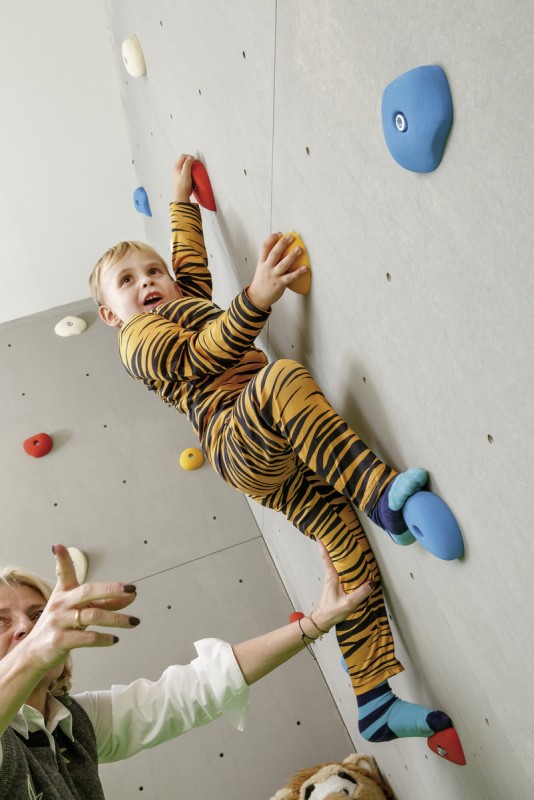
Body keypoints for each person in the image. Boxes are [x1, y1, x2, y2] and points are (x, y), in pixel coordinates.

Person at [89, 155, 456, 746]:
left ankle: (375, 702)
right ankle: (379, 493)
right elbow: (201, 355)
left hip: (279, 456)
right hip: (239, 442)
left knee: (344, 550)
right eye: (127, 282)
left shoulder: (183, 299)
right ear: (110, 314)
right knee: (280, 380)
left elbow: (188, 261)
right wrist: (257, 297)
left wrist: (180, 201)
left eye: (151, 271)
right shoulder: (138, 341)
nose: (147, 282)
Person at [0, 544, 374, 799]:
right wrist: (33, 652)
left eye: (37, 616)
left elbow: (196, 689)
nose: (26, 628)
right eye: (1, 622)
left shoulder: (72, 722)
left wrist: (315, 623)